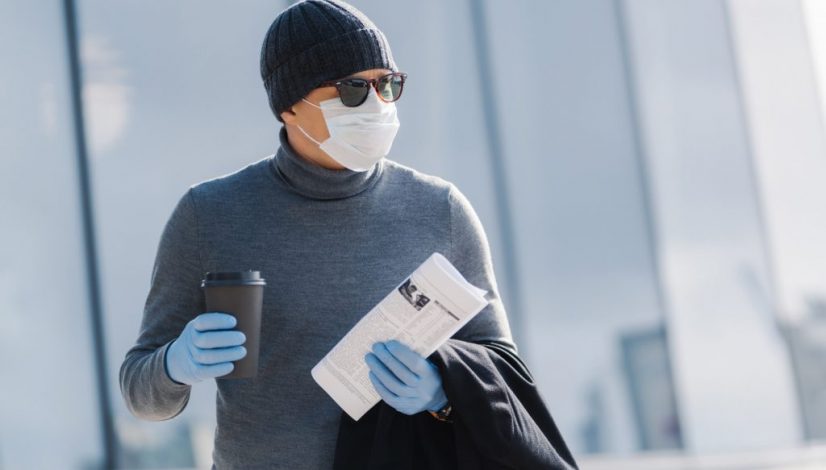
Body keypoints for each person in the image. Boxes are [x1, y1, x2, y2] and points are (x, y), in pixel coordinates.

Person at [119, 1, 534, 468]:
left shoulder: (441, 210)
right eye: (354, 89)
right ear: (289, 108)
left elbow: (504, 374)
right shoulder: (209, 214)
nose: (377, 104)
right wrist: (176, 362)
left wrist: (443, 389)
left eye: (388, 85)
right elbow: (140, 394)